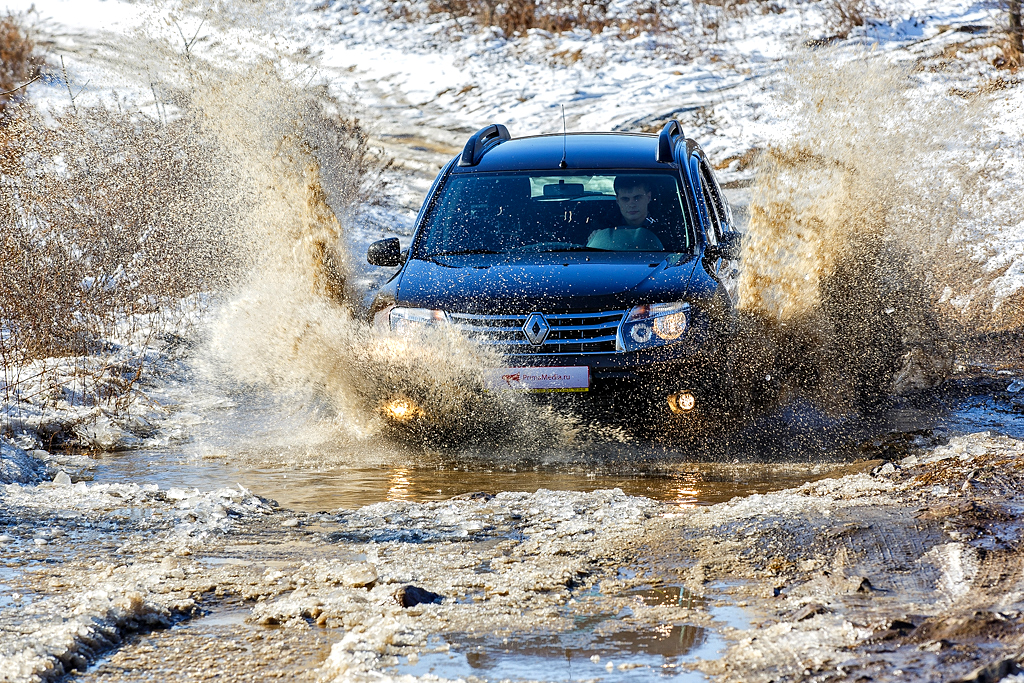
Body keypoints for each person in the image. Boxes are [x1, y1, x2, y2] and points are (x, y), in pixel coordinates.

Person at [586, 176, 664, 251]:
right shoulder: (603, 226)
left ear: (648, 197)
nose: (631, 204)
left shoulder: (665, 226)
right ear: (618, 201)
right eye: (625, 199)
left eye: (637, 198)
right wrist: (595, 239)